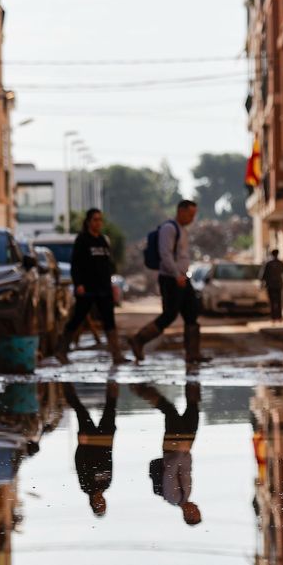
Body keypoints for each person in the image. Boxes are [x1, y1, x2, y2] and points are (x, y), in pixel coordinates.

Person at [129, 200, 209, 364]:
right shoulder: (169, 228)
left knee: (191, 313)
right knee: (170, 314)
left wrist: (183, 275)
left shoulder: (182, 230)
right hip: (171, 278)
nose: (192, 218)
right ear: (180, 211)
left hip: (183, 277)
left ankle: (193, 353)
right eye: (190, 214)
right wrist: (175, 274)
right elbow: (165, 254)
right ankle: (139, 339)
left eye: (194, 215)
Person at [56, 209, 125, 365]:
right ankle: (61, 351)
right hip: (87, 288)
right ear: (88, 222)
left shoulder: (103, 240)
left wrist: (111, 283)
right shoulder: (82, 240)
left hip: (104, 287)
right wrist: (78, 284)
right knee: (78, 318)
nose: (98, 223)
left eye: (100, 220)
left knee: (109, 321)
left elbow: (109, 264)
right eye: (95, 220)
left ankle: (117, 355)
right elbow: (76, 265)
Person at [135, 382, 202, 526]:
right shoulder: (186, 495)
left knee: (170, 411)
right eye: (198, 511)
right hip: (185, 448)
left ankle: (142, 390)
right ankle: (193, 377)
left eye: (196, 512)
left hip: (174, 449)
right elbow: (186, 470)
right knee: (193, 410)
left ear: (188, 514)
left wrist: (180, 452)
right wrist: (187, 453)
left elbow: (169, 470)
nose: (197, 508)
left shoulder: (173, 497)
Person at [65, 381, 118, 517]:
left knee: (80, 409)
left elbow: (79, 463)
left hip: (88, 440)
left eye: (99, 505)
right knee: (111, 406)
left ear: (93, 503)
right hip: (105, 439)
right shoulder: (107, 483)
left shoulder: (86, 485)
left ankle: (64, 382)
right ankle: (113, 378)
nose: (101, 501)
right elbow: (109, 458)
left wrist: (81, 444)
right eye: (103, 504)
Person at [259, 249, 283, 323]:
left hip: (270, 285)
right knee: (279, 301)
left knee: (272, 302)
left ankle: (273, 318)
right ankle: (279, 317)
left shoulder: (268, 263)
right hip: (279, 285)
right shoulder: (280, 263)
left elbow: (262, 275)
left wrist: (262, 284)